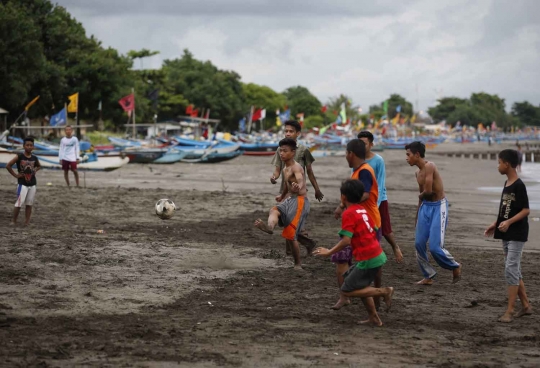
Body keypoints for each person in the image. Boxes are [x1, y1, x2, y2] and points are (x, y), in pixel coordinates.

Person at [314, 179, 394, 327]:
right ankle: (374, 317)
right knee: (356, 283)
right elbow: (374, 230)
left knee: (347, 290)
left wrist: (328, 252)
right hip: (375, 254)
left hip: (370, 258)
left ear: (343, 197)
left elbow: (346, 241)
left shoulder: (349, 213)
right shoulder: (363, 210)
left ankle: (384, 291)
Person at [332, 139, 382, 310]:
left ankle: (354, 295)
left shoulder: (365, 171)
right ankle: (356, 299)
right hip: (362, 220)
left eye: (346, 153)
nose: (346, 156)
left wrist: (347, 206)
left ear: (350, 154)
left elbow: (366, 195)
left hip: (364, 222)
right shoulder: (358, 170)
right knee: (361, 263)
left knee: (352, 261)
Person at [484, 149, 532, 323]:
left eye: (499, 162)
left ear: (507, 164)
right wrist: (495, 224)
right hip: (505, 232)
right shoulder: (507, 183)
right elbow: (505, 210)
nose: (498, 166)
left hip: (517, 233)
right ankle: (526, 306)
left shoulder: (519, 185)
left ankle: (510, 311)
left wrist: (509, 222)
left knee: (510, 269)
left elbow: (526, 210)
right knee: (513, 269)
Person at [405, 141, 462, 285]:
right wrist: (417, 215)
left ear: (417, 155)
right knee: (418, 243)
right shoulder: (417, 173)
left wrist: (421, 196)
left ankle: (455, 266)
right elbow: (422, 195)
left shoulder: (430, 166)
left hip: (438, 207)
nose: (407, 158)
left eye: (408, 155)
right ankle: (428, 275)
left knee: (435, 247)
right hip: (425, 207)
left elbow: (429, 191)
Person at [255, 138, 311, 269]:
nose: (281, 153)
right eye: (280, 151)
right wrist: (282, 195)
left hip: (300, 201)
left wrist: (299, 185)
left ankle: (298, 264)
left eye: (285, 151)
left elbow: (300, 179)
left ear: (293, 152)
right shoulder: (286, 168)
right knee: (274, 210)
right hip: (290, 199)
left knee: (291, 234)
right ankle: (269, 228)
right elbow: (288, 183)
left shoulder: (296, 167)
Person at [270, 120, 323, 254]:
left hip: (298, 191)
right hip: (285, 190)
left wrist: (317, 189)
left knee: (294, 222)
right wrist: (274, 177)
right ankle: (291, 250)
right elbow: (277, 169)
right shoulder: (280, 149)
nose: (288, 133)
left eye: (291, 131)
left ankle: (306, 245)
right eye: (286, 131)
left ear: (298, 133)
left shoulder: (303, 150)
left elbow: (309, 171)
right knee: (286, 220)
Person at [357, 131, 404, 263]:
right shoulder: (357, 159)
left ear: (371, 144)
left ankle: (395, 247)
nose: (361, 146)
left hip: (379, 199)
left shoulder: (378, 160)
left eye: (364, 143)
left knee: (385, 230)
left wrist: (376, 204)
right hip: (362, 199)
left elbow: (381, 182)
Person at [6, 137, 41, 226]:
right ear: (23, 146)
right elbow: (8, 166)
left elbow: (39, 166)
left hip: (32, 184)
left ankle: (27, 221)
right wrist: (16, 175)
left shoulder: (34, 158)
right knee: (19, 202)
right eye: (27, 145)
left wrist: (34, 171)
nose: (29, 147)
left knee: (29, 203)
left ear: (33, 147)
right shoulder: (19, 156)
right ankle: (14, 221)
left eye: (31, 145)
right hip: (22, 184)